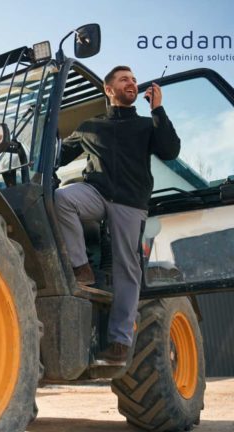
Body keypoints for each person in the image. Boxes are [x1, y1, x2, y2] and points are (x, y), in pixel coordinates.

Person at [54, 66, 180, 365]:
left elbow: (170, 150)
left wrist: (158, 110)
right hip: (96, 194)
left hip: (129, 202)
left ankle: (120, 341)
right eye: (125, 79)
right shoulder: (89, 127)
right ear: (109, 90)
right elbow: (58, 157)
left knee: (128, 268)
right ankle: (81, 266)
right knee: (62, 199)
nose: (132, 83)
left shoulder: (146, 126)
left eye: (134, 80)